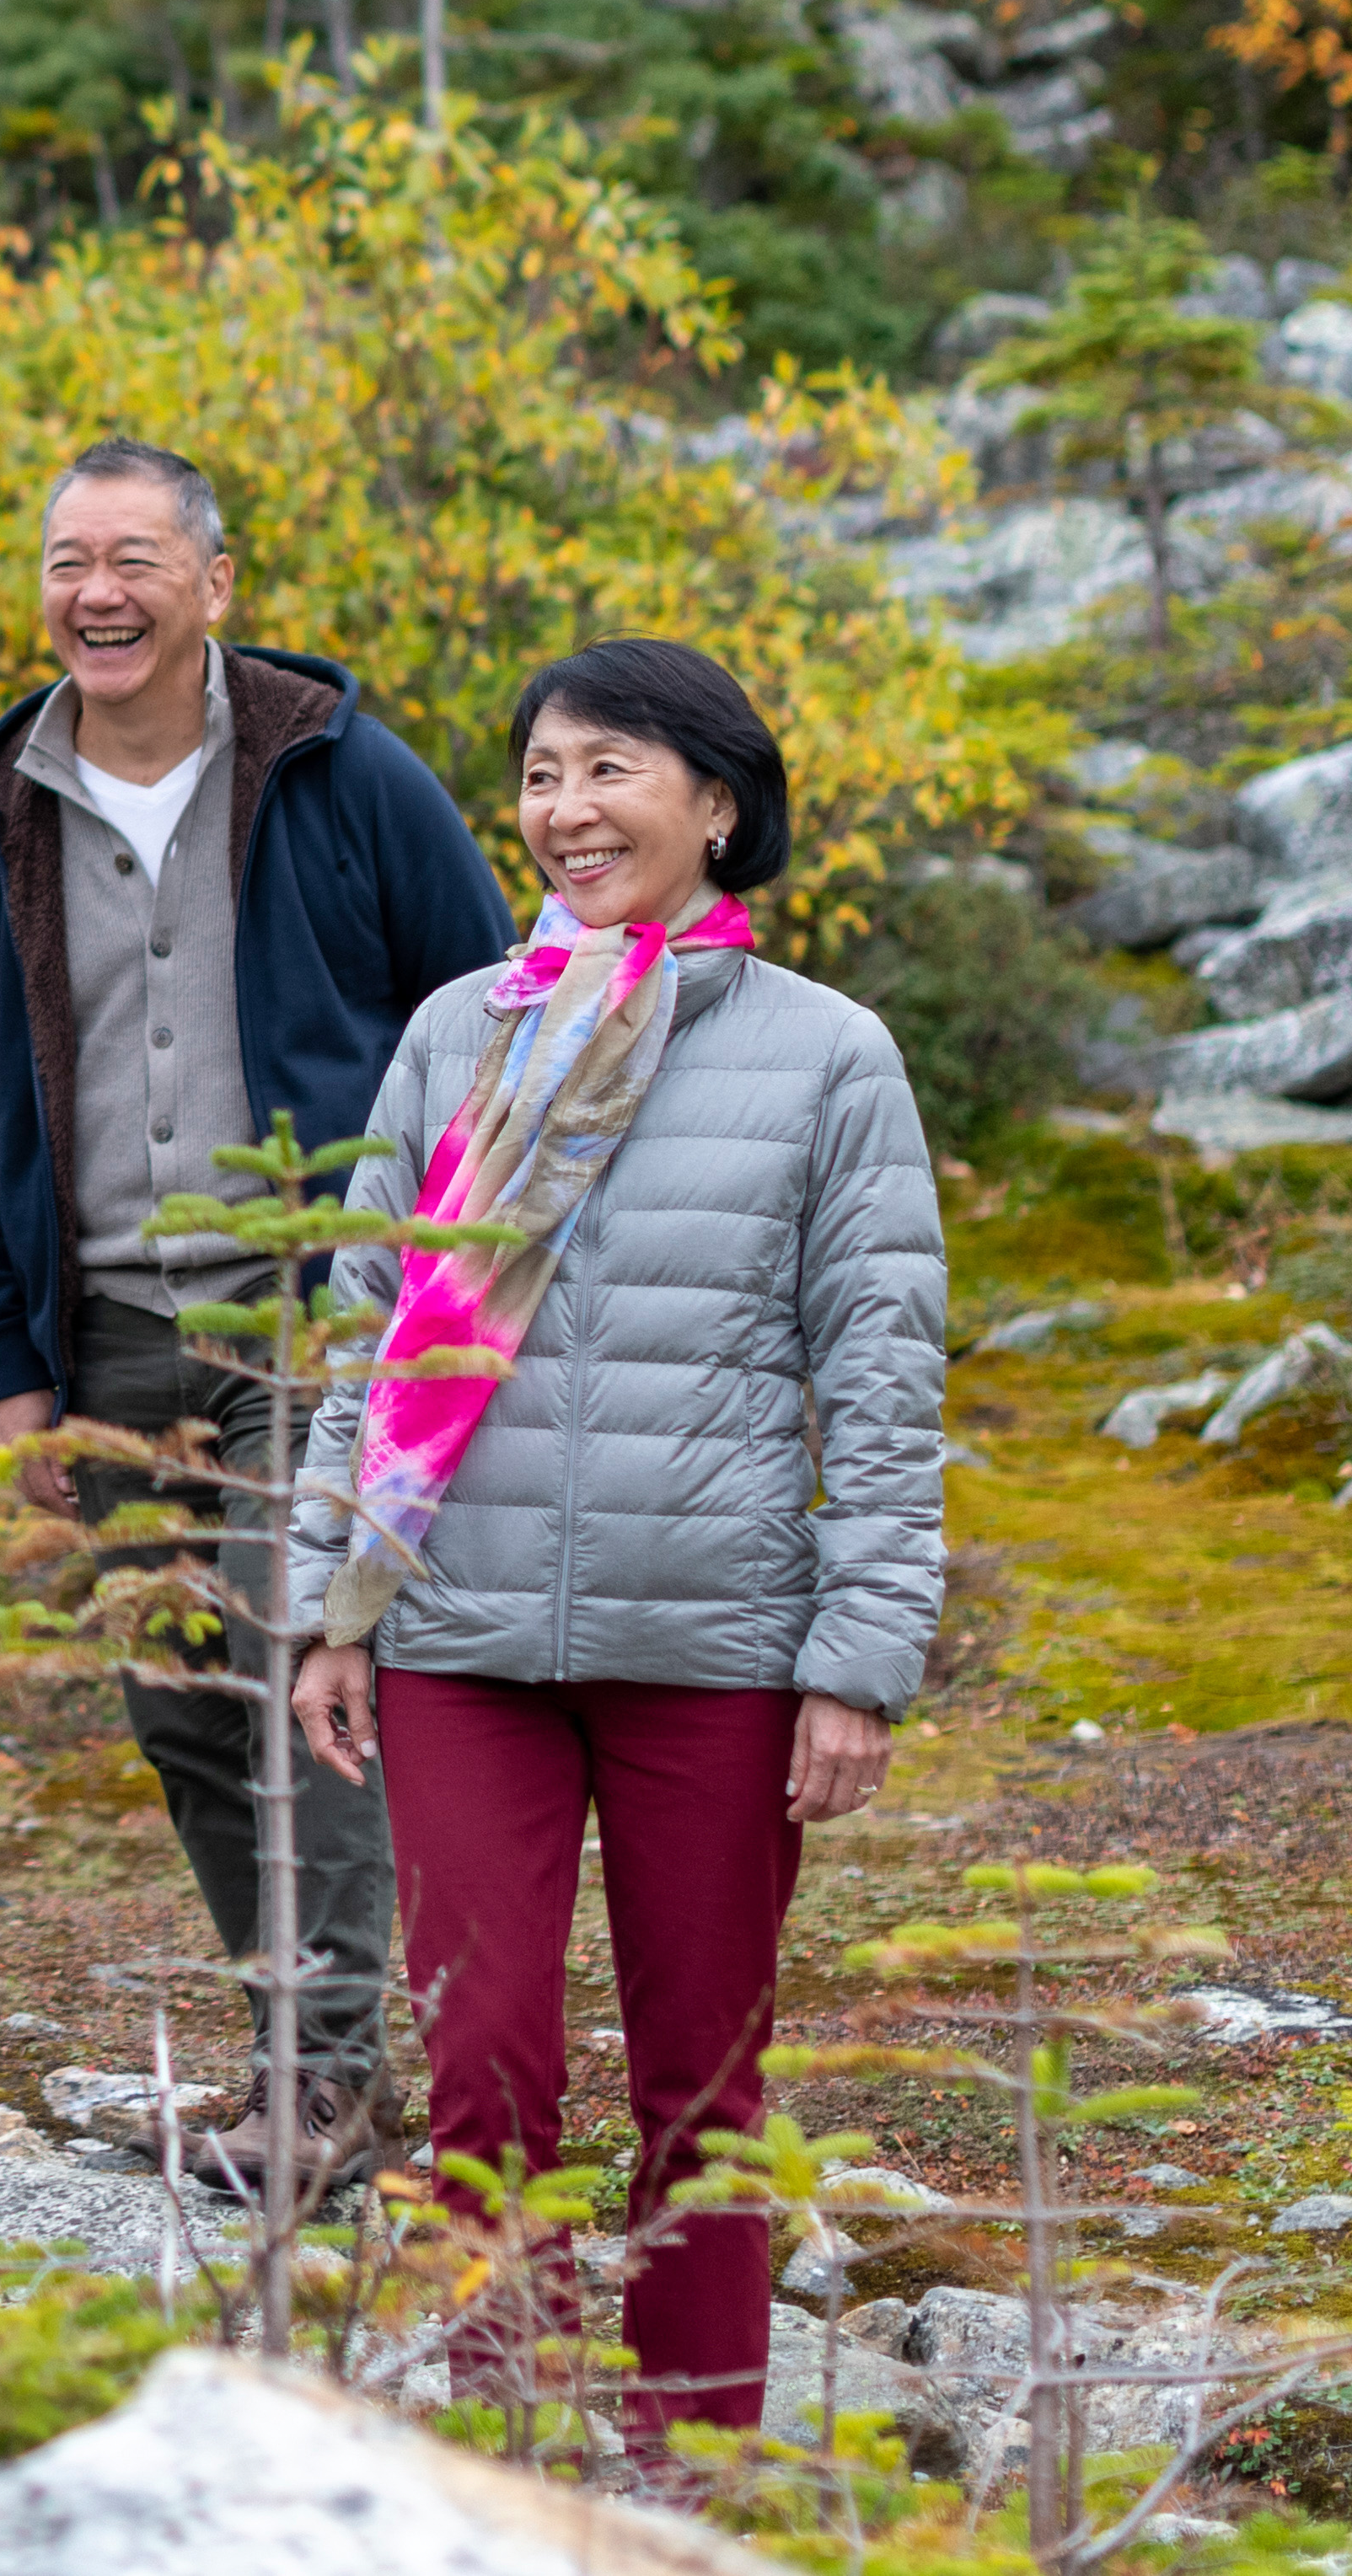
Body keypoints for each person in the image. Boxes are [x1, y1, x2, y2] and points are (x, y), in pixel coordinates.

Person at [282, 638, 945, 2451]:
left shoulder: (828, 1056)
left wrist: (857, 1660)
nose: (563, 812)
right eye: (541, 775)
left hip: (714, 1650)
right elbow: (370, 1333)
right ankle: (505, 2453)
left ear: (718, 802)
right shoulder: (457, 1032)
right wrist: (324, 1610)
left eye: (608, 772)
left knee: (702, 2091)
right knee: (480, 2061)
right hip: (454, 1632)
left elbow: (880, 1379)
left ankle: (691, 2466)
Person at [0, 438, 508, 2189]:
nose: (94, 593)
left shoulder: (343, 775)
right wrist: (5, 1371)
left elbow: (479, 1021)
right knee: (177, 1703)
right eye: (63, 561)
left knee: (280, 1665)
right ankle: (285, 2051)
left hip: (313, 1323)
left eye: (133, 560)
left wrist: (436, 1300)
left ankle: (323, 2084)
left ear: (212, 588)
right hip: (102, 1330)